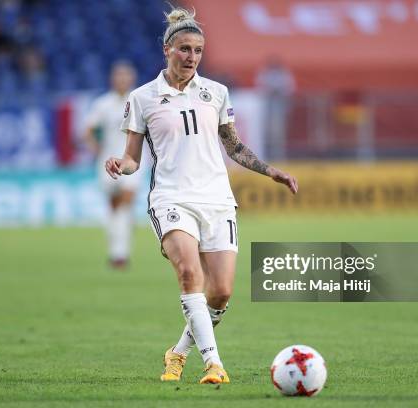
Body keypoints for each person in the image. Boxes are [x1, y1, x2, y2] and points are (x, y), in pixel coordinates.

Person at [105, 7, 297, 384]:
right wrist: (119, 164)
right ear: (167, 50)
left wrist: (271, 172)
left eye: (197, 51)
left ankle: (178, 353)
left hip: (217, 200)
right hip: (171, 199)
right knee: (189, 274)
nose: (191, 57)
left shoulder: (217, 93)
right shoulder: (143, 99)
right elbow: (132, 158)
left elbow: (234, 146)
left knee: (221, 291)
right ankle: (214, 364)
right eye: (184, 49)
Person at [84, 61, 140, 269]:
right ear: (112, 79)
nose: (122, 80)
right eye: (119, 76)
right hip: (107, 163)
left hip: (132, 161)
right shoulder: (103, 104)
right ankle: (116, 248)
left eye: (126, 76)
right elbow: (88, 130)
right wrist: (96, 149)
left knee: (126, 202)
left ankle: (120, 254)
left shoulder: (139, 101)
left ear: (132, 79)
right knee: (114, 207)